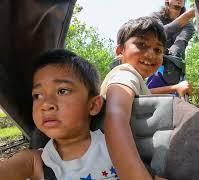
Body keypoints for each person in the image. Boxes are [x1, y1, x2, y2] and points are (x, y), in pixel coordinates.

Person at [0, 49, 118, 179]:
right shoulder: (36, 162)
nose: (45, 104)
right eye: (38, 95)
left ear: (93, 105)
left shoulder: (114, 146)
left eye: (62, 91)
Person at [100, 16, 176, 179]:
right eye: (141, 45)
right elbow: (115, 118)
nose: (150, 54)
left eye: (158, 50)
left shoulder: (134, 79)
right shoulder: (126, 74)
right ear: (120, 51)